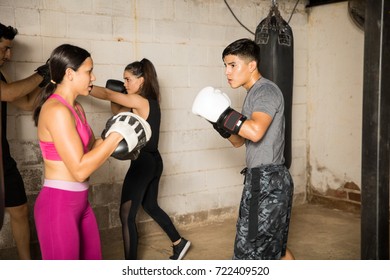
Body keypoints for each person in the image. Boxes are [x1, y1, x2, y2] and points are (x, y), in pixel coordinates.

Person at [32, 44, 146, 260]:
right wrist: (116, 137)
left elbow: (93, 145)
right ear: (69, 74)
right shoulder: (56, 111)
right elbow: (80, 170)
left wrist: (125, 131)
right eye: (88, 71)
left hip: (81, 203)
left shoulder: (76, 108)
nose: (93, 77)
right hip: (58, 206)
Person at [192, 38, 295, 260]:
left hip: (268, 180)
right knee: (273, 250)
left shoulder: (265, 91)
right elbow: (241, 141)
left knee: (248, 253)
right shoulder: (253, 95)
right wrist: (219, 124)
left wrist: (223, 114)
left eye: (232, 65)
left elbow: (256, 131)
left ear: (251, 65)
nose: (227, 72)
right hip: (261, 179)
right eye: (225, 66)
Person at [90, 58, 191, 260]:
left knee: (126, 215)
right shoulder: (146, 103)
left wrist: (84, 85)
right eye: (123, 80)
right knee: (150, 205)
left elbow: (109, 93)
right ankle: (180, 243)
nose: (125, 84)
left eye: (128, 80)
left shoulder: (139, 101)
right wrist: (117, 97)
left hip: (143, 162)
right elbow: (117, 112)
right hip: (155, 161)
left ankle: (130, 267)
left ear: (142, 80)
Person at [0, 22, 49, 259]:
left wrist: (51, 81)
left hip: (2, 156)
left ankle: (26, 268)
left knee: (19, 209)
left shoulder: (1, 74)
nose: (9, 56)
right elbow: (6, 93)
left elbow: (27, 103)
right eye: (5, 49)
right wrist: (42, 74)